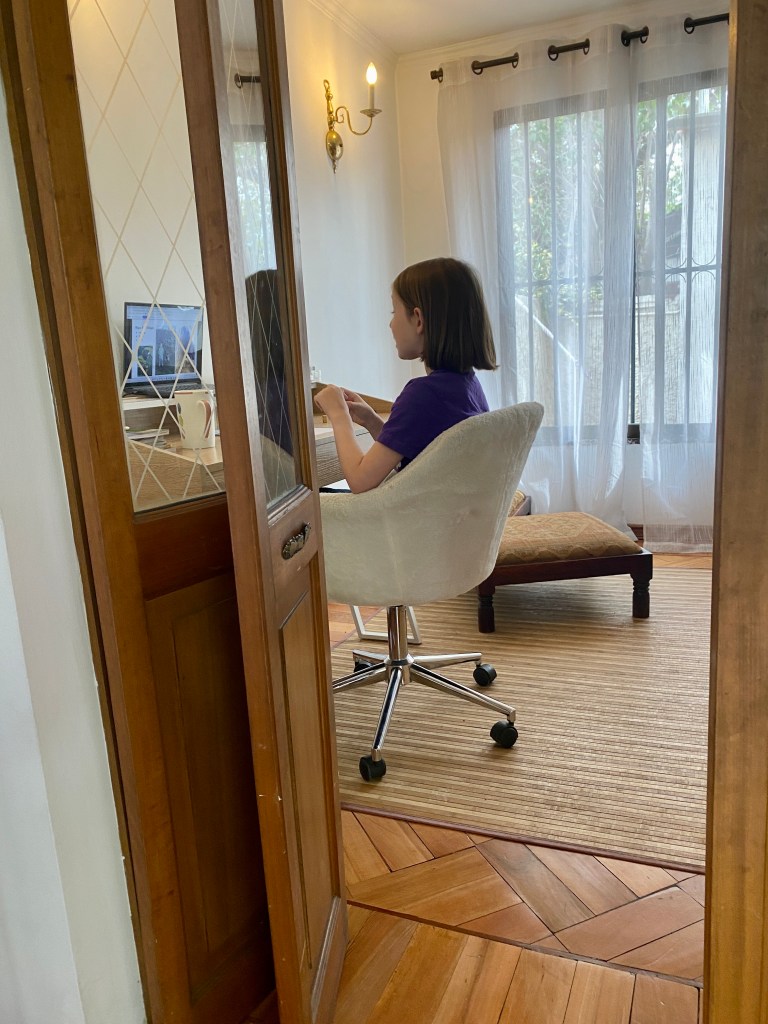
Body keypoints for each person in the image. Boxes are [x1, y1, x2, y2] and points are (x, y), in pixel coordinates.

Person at [314, 257, 497, 493]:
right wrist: (371, 421)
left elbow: (359, 480)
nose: (391, 324)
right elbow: (417, 456)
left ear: (418, 319)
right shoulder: (467, 385)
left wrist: (338, 416)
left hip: (418, 514)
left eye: (394, 311)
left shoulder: (423, 394)